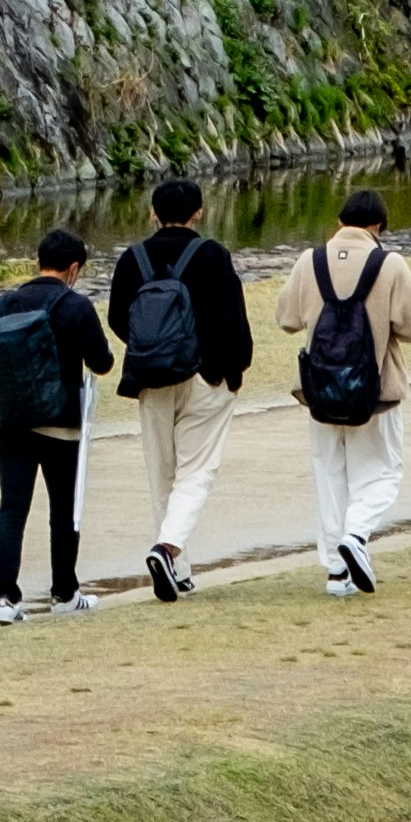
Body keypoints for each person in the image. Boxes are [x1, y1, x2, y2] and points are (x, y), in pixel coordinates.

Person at [103, 175, 255, 602]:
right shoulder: (212, 255)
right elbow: (232, 319)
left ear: (153, 213)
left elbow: (119, 319)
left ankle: (180, 568)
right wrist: (234, 370)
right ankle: (167, 550)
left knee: (161, 473)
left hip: (151, 378)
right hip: (206, 377)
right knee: (197, 470)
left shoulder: (132, 259)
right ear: (199, 213)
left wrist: (153, 349)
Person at [284, 186, 411, 595]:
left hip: (320, 390)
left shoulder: (309, 260)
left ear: (339, 222)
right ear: (378, 226)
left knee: (329, 475)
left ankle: (335, 572)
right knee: (383, 471)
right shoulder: (391, 264)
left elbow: (287, 318)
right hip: (375, 391)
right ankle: (358, 535)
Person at [0, 224, 117, 620]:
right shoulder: (76, 306)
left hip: (11, 421)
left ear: (38, 262)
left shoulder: (5, 302)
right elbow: (102, 363)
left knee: (11, 510)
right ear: (74, 268)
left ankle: (5, 599)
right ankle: (65, 593)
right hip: (60, 423)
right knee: (63, 509)